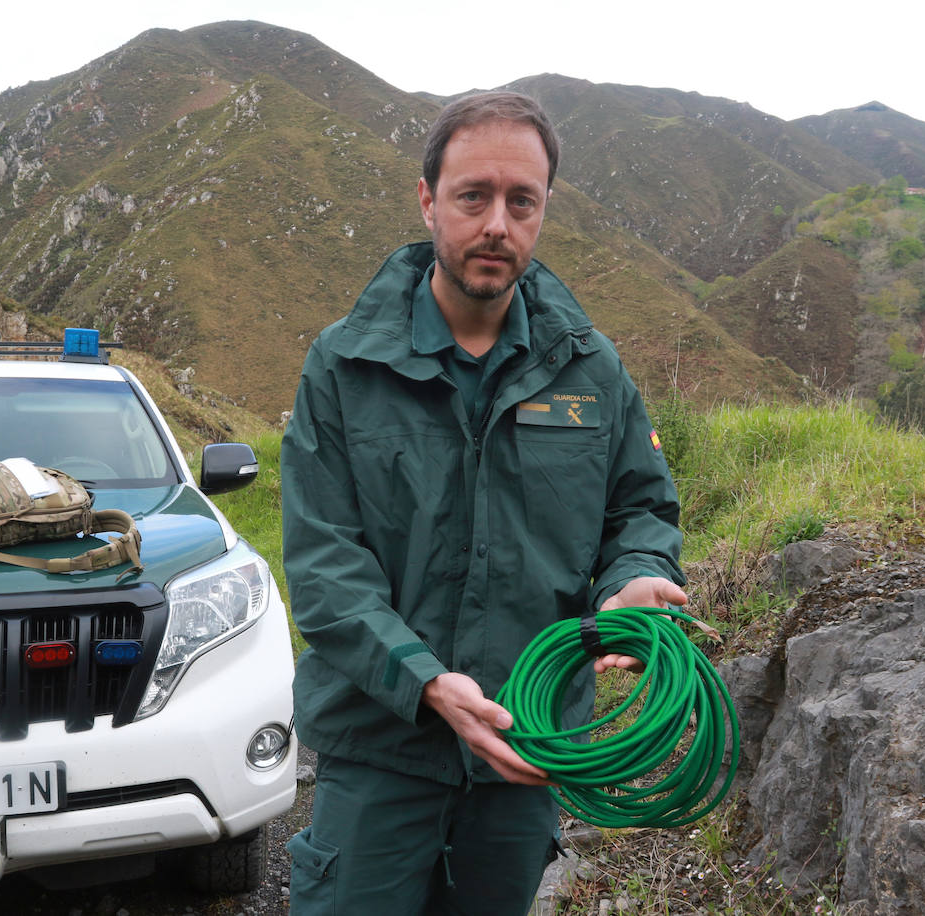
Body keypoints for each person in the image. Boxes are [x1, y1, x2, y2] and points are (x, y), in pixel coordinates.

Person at [280, 90, 687, 915]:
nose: (497, 223)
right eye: (474, 196)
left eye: (520, 201)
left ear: (543, 209)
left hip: (524, 748)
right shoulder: (343, 366)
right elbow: (326, 569)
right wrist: (427, 683)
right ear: (428, 199)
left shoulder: (592, 369)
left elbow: (640, 510)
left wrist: (634, 581)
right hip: (381, 748)